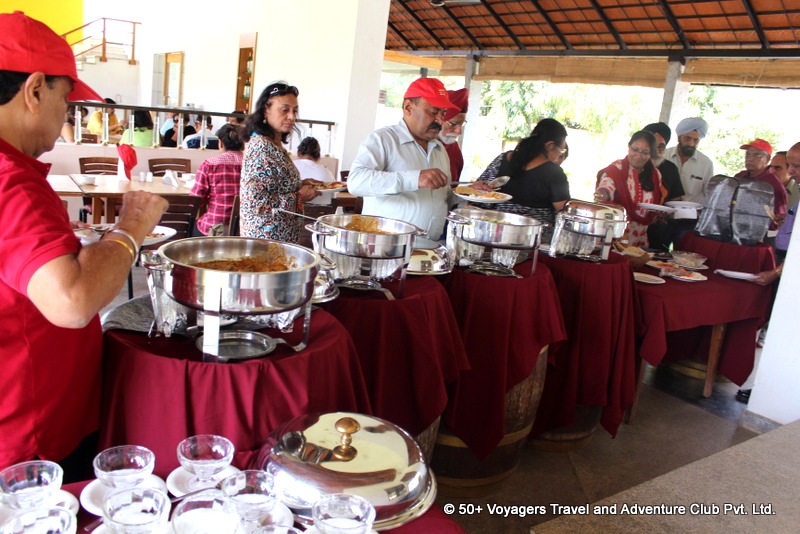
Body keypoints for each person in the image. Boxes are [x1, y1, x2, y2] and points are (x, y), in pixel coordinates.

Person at [0, 12, 167, 474]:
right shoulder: (10, 182)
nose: (66, 117)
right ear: (34, 90)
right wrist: (131, 226)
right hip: (33, 441)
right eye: (65, 100)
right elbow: (72, 302)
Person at [347, 77, 463, 239]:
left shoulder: (439, 149)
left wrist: (467, 196)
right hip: (385, 249)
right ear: (408, 107)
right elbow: (356, 182)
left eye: (443, 113)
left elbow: (441, 197)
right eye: (433, 112)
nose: (440, 120)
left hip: (429, 250)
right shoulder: (383, 139)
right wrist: (414, 178)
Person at [239, 81, 317, 242]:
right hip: (266, 240)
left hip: (281, 236)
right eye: (284, 110)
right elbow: (256, 203)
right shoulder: (261, 147)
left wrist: (300, 184)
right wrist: (299, 196)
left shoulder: (274, 144)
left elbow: (274, 186)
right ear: (266, 110)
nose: (291, 116)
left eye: (294, 111)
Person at [476, 118, 570, 240]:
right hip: (532, 239)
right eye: (561, 150)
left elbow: (478, 194)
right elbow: (564, 213)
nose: (559, 156)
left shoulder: (503, 159)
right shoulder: (554, 172)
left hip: (493, 233)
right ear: (550, 145)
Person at [595, 130, 666, 248]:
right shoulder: (616, 169)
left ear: (651, 154)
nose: (638, 156)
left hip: (641, 239)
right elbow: (606, 186)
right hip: (615, 237)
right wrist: (601, 194)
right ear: (629, 147)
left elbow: (654, 204)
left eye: (645, 152)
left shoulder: (655, 175)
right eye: (635, 149)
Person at [190, 124, 243, 236]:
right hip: (243, 230)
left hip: (216, 228)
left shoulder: (209, 165)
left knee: (193, 226)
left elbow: (195, 201)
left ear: (220, 143)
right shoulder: (252, 164)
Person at [734, 139, 787, 242]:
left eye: (756, 155)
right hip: (733, 232)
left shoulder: (774, 185)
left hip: (759, 238)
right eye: (747, 155)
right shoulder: (739, 177)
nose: (749, 159)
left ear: (767, 159)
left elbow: (777, 222)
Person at [643, 122, 685, 250]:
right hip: (632, 228)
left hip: (659, 231)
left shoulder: (670, 169)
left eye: (661, 146)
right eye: (653, 146)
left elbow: (676, 201)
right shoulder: (635, 165)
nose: (656, 151)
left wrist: (667, 212)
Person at [293, 136, 335, 206]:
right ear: (318, 157)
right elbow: (333, 196)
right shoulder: (327, 171)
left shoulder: (289, 166)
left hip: (293, 213)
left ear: (298, 153)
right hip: (322, 215)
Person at [439, 88, 468, 181]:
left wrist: (470, 189)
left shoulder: (453, 149)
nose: (459, 131)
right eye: (454, 124)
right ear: (438, 120)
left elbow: (451, 189)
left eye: (462, 124)